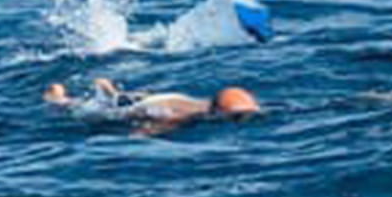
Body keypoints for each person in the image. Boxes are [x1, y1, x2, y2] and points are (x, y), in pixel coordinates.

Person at [44, 77, 262, 136]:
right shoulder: (187, 115)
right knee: (92, 112)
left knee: (122, 98)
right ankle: (58, 98)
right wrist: (141, 135)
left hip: (161, 98)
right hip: (152, 108)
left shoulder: (204, 105)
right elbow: (158, 126)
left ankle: (108, 90)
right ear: (218, 113)